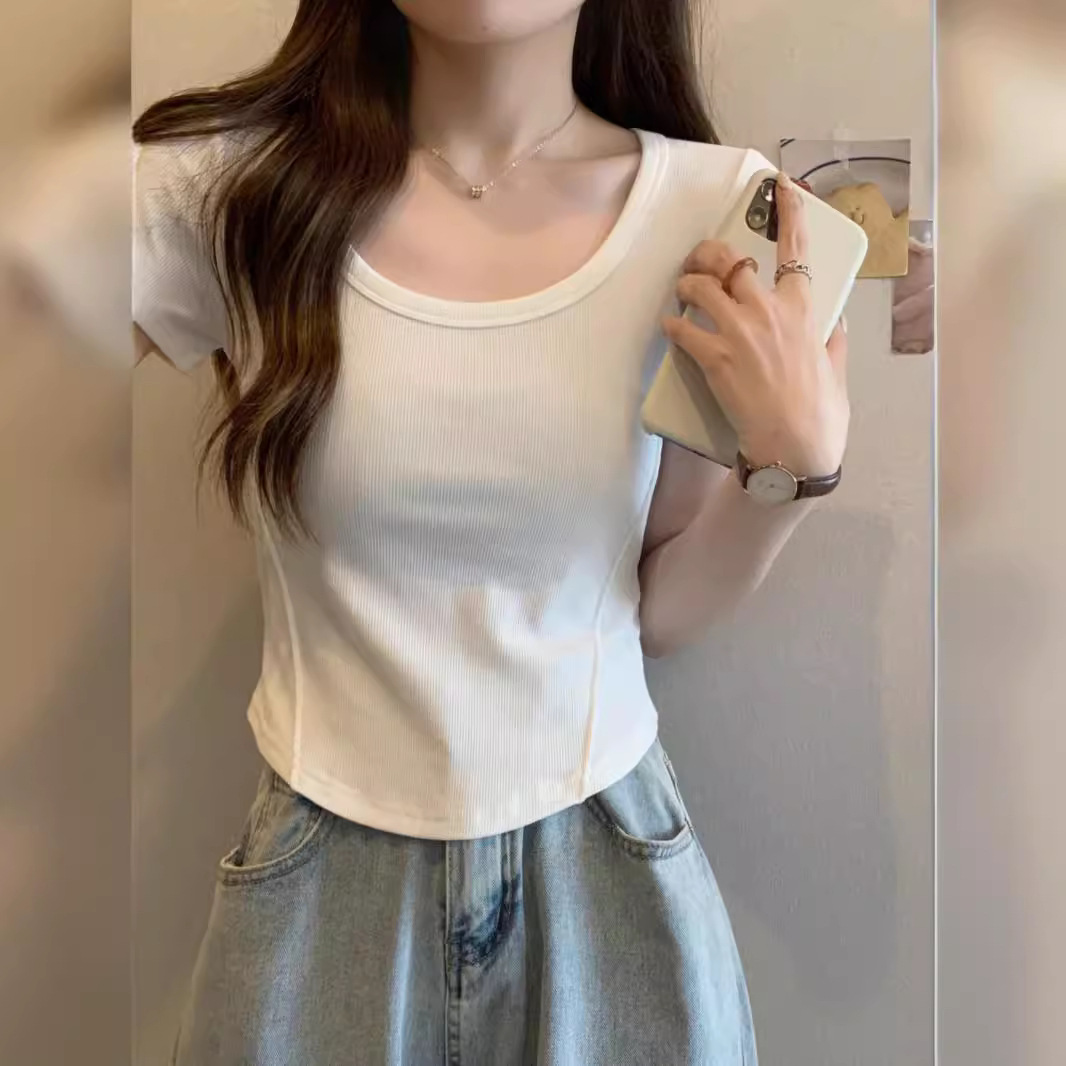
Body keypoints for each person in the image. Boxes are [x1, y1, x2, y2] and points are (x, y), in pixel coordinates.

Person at [132, 2, 848, 1063]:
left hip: (607, 873)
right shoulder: (234, 189)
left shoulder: (713, 210)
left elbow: (660, 609)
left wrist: (792, 470)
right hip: (318, 881)